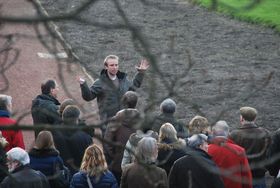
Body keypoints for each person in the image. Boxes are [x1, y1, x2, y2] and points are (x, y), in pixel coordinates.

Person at [78, 55, 149, 133]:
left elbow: (132, 88)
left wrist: (141, 73)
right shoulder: (100, 83)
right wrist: (83, 85)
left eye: (116, 65)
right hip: (108, 123)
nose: (115, 67)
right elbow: (88, 97)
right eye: (112, 65)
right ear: (106, 67)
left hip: (123, 121)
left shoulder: (123, 80)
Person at [104, 91, 142, 184]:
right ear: (135, 103)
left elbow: (107, 143)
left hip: (118, 165)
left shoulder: (115, 120)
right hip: (138, 166)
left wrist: (114, 157)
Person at [229, 107, 270, 188]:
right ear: (255, 118)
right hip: (259, 176)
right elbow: (269, 153)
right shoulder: (265, 133)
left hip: (242, 177)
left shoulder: (234, 135)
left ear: (241, 118)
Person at [208, 120, 252, 188]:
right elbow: (246, 177)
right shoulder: (239, 150)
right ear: (228, 133)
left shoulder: (207, 150)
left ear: (212, 133)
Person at [56, 105, 93, 176]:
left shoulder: (54, 134)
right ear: (76, 119)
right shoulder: (85, 137)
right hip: (80, 174)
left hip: (62, 174)